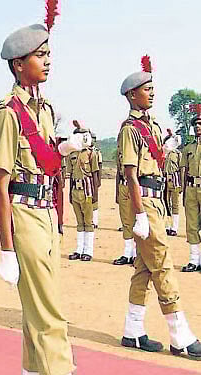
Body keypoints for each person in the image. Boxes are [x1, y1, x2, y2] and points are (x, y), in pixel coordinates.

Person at [0, 7, 86, 373]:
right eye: (40, 55)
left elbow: (47, 161)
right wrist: (6, 250)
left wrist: (64, 149)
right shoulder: (9, 113)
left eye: (49, 55)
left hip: (46, 213)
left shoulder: (44, 109)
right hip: (25, 215)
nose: (48, 62)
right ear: (18, 63)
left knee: (37, 311)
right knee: (50, 315)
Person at [118, 56, 200, 358]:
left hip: (155, 199)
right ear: (132, 95)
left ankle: (133, 330)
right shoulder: (131, 129)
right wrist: (139, 213)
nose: (152, 93)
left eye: (153, 88)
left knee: (144, 268)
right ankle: (180, 335)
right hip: (144, 202)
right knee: (163, 263)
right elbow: (130, 173)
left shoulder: (150, 125)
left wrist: (164, 151)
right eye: (146, 89)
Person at [67, 123, 99, 262]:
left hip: (88, 191)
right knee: (79, 222)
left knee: (88, 222)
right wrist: (69, 193)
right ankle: (79, 249)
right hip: (76, 190)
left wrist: (95, 195)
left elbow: (95, 174)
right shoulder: (72, 154)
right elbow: (71, 175)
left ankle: (88, 251)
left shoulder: (92, 153)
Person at [179, 111, 201, 272]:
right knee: (192, 226)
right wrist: (184, 192)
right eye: (195, 125)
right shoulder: (188, 148)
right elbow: (184, 171)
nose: (197, 127)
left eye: (200, 124)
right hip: (191, 188)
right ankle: (194, 260)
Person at [113, 128, 137, 266]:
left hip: (133, 185)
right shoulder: (120, 153)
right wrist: (117, 192)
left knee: (135, 220)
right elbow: (118, 172)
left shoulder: (135, 149)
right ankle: (127, 253)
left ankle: (136, 254)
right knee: (125, 220)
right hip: (122, 185)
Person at [163, 129, 182, 237]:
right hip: (165, 180)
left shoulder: (178, 154)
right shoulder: (165, 154)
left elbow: (181, 169)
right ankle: (167, 226)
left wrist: (173, 135)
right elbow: (163, 141)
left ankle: (174, 228)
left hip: (175, 181)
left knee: (175, 205)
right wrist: (168, 136)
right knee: (166, 204)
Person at [91, 132, 102, 228]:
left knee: (95, 200)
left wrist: (99, 180)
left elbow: (100, 166)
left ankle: (95, 221)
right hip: (86, 178)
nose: (92, 140)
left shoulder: (97, 152)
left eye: (94, 138)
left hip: (94, 178)